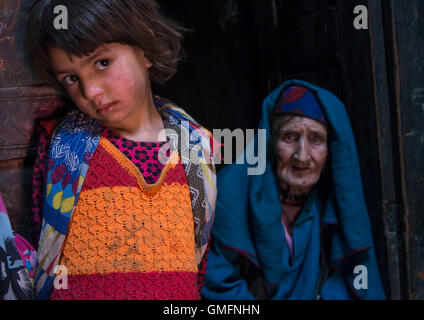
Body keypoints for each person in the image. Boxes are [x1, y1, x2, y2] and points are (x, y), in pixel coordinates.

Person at [26, 0, 216, 300]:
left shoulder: (196, 147)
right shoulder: (64, 149)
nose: (91, 92)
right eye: (72, 79)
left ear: (145, 48)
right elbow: (46, 242)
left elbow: (198, 258)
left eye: (102, 63)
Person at [202, 79, 385, 300]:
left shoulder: (331, 199)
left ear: (330, 150)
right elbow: (219, 284)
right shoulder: (233, 191)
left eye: (316, 139)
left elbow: (353, 275)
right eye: (290, 137)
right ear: (270, 142)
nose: (302, 155)